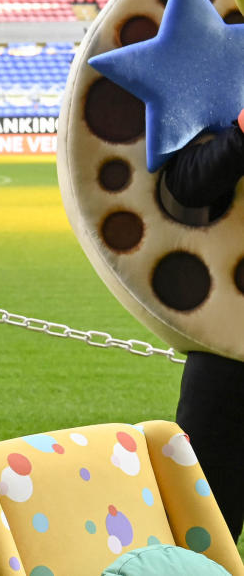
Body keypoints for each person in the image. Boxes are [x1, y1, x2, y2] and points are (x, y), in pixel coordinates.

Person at [161, 118, 244, 543]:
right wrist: (240, 135)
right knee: (206, 523)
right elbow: (182, 188)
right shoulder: (223, 88)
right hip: (228, 346)